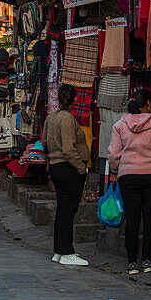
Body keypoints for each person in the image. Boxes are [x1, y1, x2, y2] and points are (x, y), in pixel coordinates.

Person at [107, 88, 151, 276]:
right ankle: (147, 261)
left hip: (128, 176)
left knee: (132, 219)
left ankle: (131, 263)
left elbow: (114, 153)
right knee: (149, 217)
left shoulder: (120, 125)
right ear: (146, 104)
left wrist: (114, 171)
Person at [44, 83, 90, 266]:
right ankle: (67, 251)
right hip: (68, 169)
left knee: (62, 209)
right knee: (68, 211)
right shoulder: (67, 119)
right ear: (73, 99)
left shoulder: (51, 117)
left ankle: (59, 250)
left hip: (56, 167)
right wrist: (81, 168)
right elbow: (68, 149)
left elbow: (45, 141)